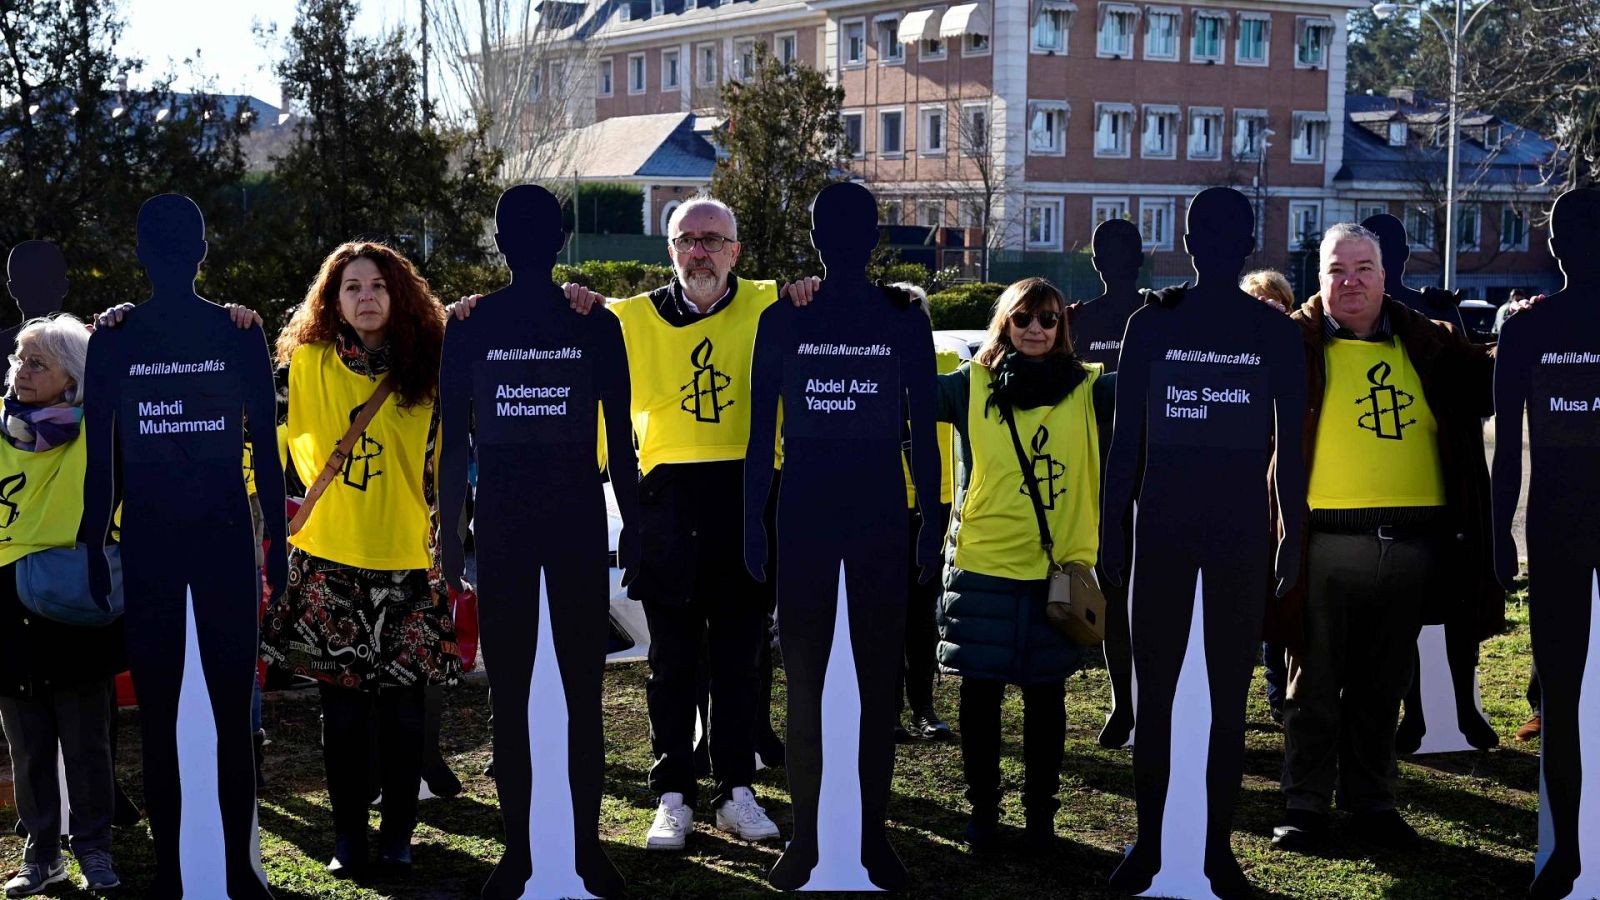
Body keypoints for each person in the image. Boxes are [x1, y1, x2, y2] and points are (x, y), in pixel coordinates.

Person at [1272, 222, 1500, 853]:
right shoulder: (1291, 342)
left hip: (1411, 548)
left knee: (1384, 686)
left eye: (1363, 269)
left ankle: (1373, 802)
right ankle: (1305, 803)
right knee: (1311, 684)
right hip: (1321, 546)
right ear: (1319, 279)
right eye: (1336, 270)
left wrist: (1530, 329)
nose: (1350, 282)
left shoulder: (1430, 345)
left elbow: (1491, 382)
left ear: (1383, 274)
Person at [259, 241, 460, 875]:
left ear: (398, 294)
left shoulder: (431, 364)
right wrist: (235, 319)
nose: (366, 296)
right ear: (333, 299)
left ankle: (398, 835)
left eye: (378, 285)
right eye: (352, 287)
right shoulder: (307, 361)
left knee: (404, 717)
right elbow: (245, 402)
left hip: (405, 559)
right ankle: (348, 838)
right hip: (329, 562)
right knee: (342, 717)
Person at [932, 277, 1114, 853]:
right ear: (1005, 323)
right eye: (1024, 318)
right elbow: (899, 387)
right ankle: (983, 812)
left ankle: (1041, 817)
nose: (1036, 329)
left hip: (1056, 573)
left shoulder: (1090, 388)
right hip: (983, 566)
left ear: (1063, 327)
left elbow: (1164, 382)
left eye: (1049, 319)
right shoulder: (970, 385)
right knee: (980, 700)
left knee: (1046, 700)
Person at [0, 314, 125, 895]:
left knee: (86, 742)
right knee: (26, 746)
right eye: (20, 361)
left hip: (74, 607)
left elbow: (123, 376)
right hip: (7, 609)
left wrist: (116, 327)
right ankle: (41, 852)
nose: (22, 372)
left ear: (72, 377)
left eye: (38, 363)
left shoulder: (100, 431)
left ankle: (94, 848)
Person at [891, 282, 957, 743]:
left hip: (935, 505)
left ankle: (923, 708)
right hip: (883, 505)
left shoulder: (951, 365)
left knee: (922, 614)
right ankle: (887, 710)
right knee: (886, 614)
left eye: (918, 311)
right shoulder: (870, 365)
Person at [1240, 267, 1296, 725]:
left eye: (1272, 302)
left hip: (1281, 492)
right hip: (1238, 489)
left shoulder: (1295, 347)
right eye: (1254, 302)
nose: (1263, 310)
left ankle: (1280, 693)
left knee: (1280, 594)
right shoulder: (1227, 349)